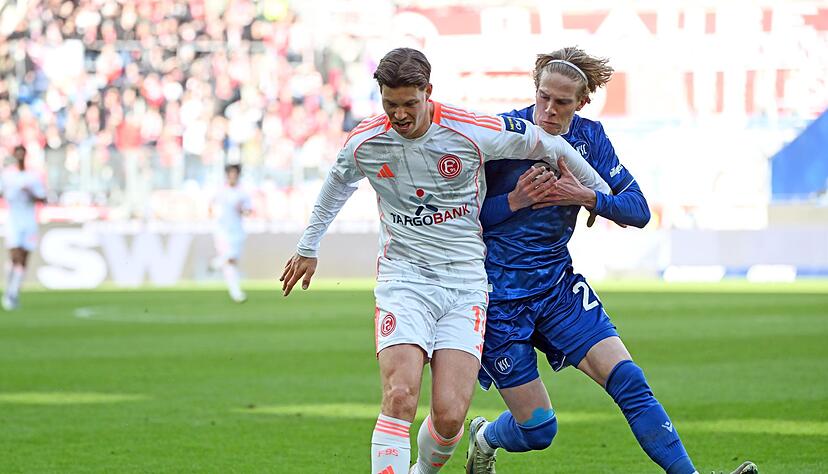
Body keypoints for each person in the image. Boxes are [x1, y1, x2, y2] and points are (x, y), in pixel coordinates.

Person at [279, 47, 610, 474]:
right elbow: (336, 184)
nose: (399, 115)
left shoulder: (471, 129)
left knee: (451, 415)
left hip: (466, 284)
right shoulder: (367, 141)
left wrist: (597, 193)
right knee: (400, 394)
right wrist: (309, 246)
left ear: (428, 92)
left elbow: (543, 141)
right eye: (390, 104)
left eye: (409, 104)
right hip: (405, 279)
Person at [465, 47, 758, 474]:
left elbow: (637, 210)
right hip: (498, 299)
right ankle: (486, 437)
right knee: (540, 430)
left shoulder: (590, 139)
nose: (547, 109)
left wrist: (585, 195)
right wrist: (515, 199)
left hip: (557, 288)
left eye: (561, 102)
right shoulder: (501, 134)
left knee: (629, 380)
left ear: (581, 102)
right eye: (543, 97)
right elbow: (463, 222)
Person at [1, 145, 47, 310]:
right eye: (17, 153)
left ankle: (12, 293)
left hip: (29, 221)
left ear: (25, 155)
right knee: (15, 257)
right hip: (13, 220)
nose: (20, 156)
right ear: (14, 155)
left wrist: (30, 193)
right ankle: (10, 293)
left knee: (23, 259)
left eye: (22, 153)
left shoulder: (33, 176)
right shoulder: (7, 175)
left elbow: (43, 198)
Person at [211, 163, 252, 303]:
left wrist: (242, 210)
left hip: (238, 231)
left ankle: (217, 263)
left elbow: (248, 210)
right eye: (230, 174)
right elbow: (210, 205)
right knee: (230, 264)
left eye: (235, 174)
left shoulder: (243, 192)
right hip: (222, 231)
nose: (232, 176)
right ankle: (236, 293)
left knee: (232, 260)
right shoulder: (220, 190)